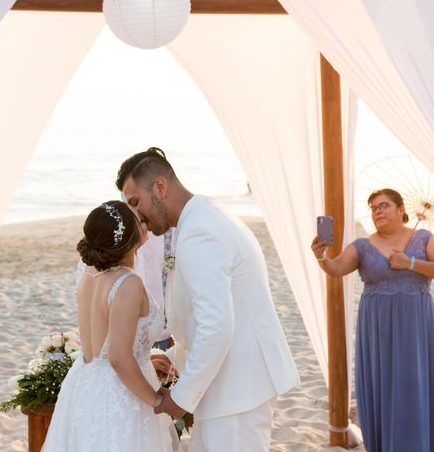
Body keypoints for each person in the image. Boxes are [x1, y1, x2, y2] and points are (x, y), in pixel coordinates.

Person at [116, 147, 299, 452]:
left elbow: (217, 327)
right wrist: (175, 359)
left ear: (160, 186)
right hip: (231, 388)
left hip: (238, 391)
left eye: (135, 202)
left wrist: (180, 397)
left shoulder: (200, 231)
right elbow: (213, 318)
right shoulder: (203, 216)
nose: (136, 215)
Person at [310, 188, 434, 452]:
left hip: (416, 326)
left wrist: (410, 263)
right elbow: (335, 269)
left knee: (416, 381)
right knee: (385, 385)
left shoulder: (423, 238)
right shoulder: (362, 246)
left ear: (401, 210)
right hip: (377, 327)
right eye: (373, 207)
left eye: (384, 205)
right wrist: (321, 256)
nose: (378, 211)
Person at [42, 201, 180, 452]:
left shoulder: (88, 272)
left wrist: (145, 356)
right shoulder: (128, 284)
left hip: (84, 384)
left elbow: (107, 343)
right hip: (120, 393)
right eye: (138, 219)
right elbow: (117, 356)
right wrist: (157, 400)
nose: (144, 220)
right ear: (128, 237)